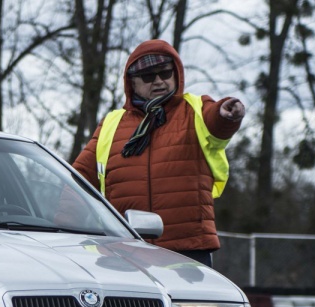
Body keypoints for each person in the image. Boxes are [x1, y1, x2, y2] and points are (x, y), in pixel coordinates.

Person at [72, 39, 245, 267]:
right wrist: (65, 235)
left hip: (188, 251)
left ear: (176, 74)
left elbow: (216, 120)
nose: (159, 81)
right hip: (126, 251)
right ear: (131, 83)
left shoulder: (194, 109)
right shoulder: (111, 124)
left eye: (165, 73)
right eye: (148, 76)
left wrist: (226, 113)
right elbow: (76, 182)